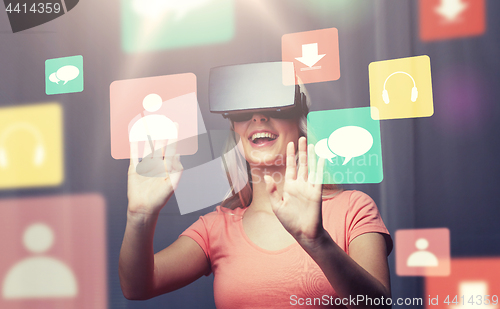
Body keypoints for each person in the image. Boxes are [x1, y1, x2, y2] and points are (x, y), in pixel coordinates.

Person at [119, 63, 393, 308]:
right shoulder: (216, 227)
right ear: (234, 130)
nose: (258, 118)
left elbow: (378, 306)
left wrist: (317, 241)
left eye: (275, 107)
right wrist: (139, 216)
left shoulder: (352, 208)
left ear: (300, 122)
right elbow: (138, 287)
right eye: (243, 111)